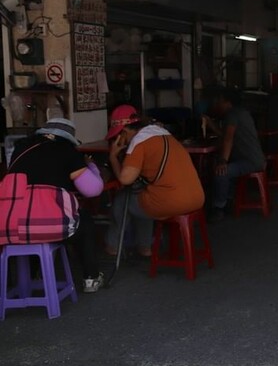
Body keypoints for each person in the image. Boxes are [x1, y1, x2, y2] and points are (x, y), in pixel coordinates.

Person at [9, 118, 105, 292]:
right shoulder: (68, 152)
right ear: (69, 138)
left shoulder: (20, 149)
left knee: (31, 223)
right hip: (53, 225)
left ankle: (34, 274)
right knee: (84, 222)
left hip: (15, 224)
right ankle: (91, 278)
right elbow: (93, 190)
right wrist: (91, 166)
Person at [105, 105, 205, 256]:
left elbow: (125, 179)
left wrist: (113, 157)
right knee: (142, 197)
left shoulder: (139, 142)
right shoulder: (165, 135)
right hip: (197, 198)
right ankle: (144, 248)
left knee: (123, 199)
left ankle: (112, 246)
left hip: (171, 202)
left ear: (123, 132)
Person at [201, 89, 265, 221]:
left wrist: (223, 161)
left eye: (218, 101)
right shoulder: (240, 112)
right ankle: (228, 200)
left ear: (226, 102)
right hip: (254, 159)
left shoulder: (232, 115)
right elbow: (225, 135)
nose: (216, 104)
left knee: (221, 172)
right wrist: (210, 123)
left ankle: (219, 208)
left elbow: (228, 139)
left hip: (250, 161)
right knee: (226, 168)